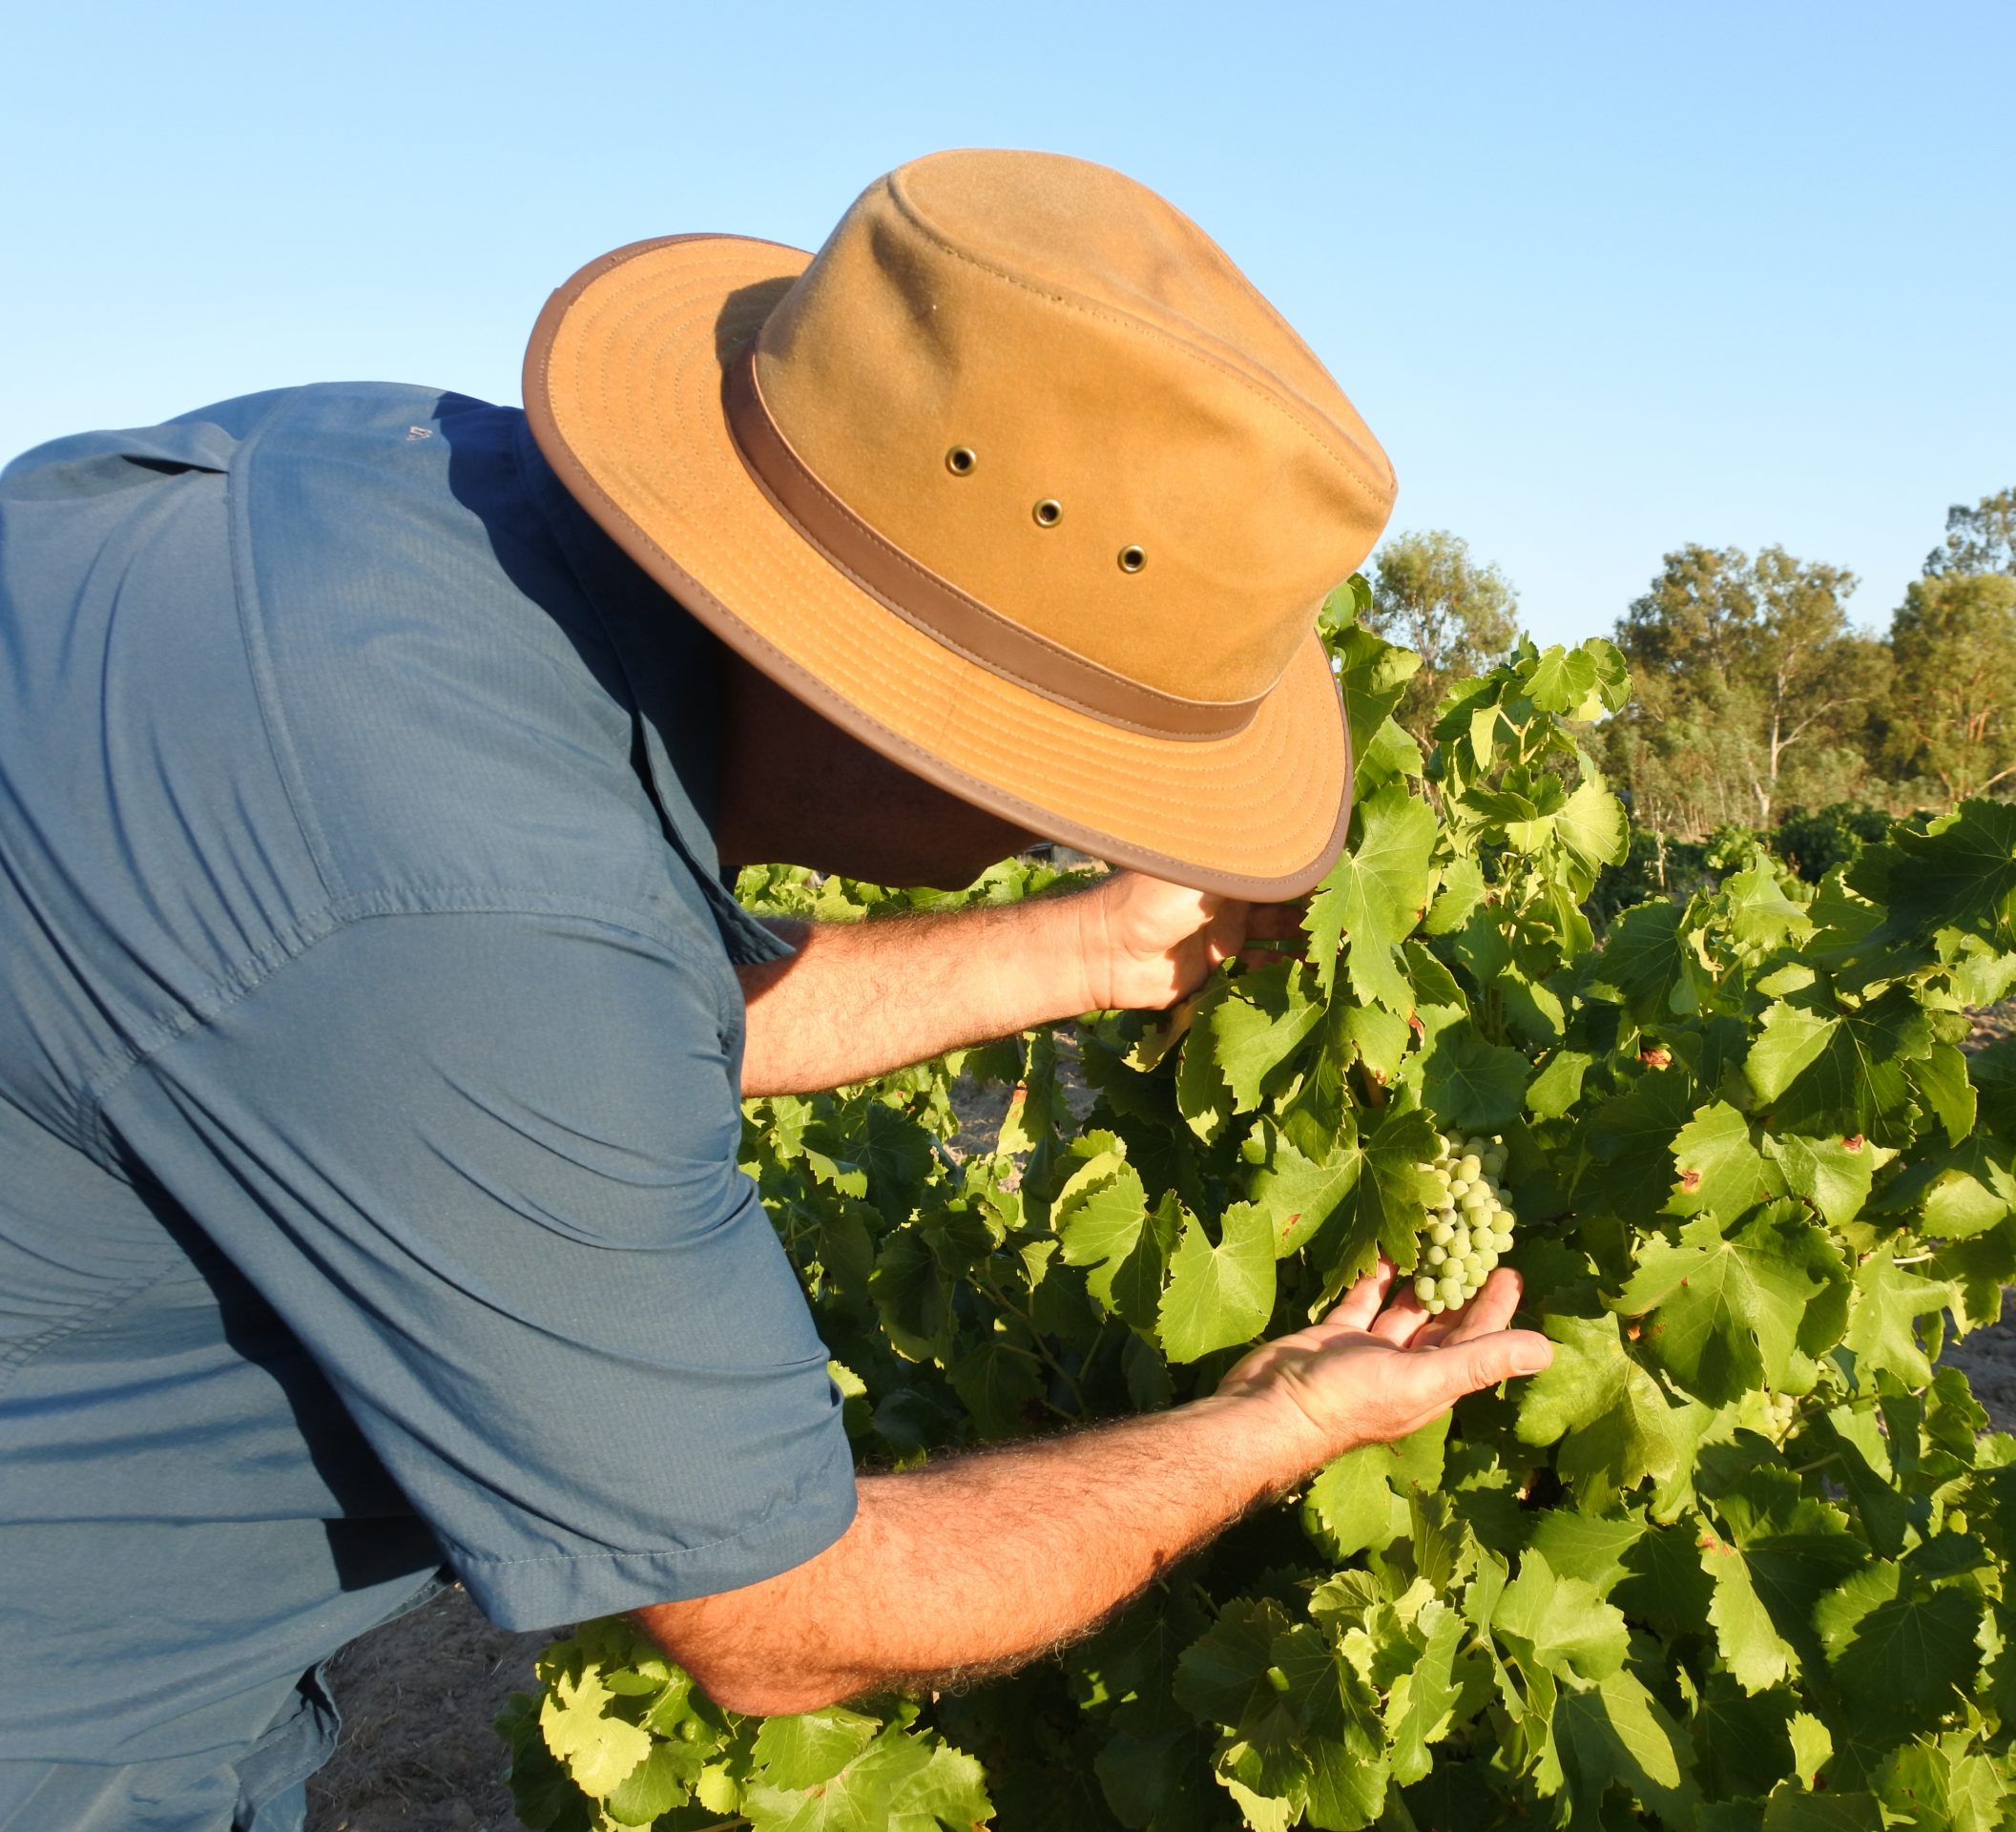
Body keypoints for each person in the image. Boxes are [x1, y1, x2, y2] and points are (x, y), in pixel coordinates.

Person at [0, 149, 1552, 1830]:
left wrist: (1091, 942)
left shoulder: (392, 489)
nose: (1066, 819)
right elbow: (782, 1623)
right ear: (904, 700)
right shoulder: (477, 906)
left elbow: (514, 1026)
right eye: (1076, 768)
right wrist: (1283, 1420)